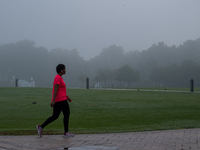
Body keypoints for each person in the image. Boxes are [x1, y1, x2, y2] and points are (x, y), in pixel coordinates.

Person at [36, 64, 74, 137]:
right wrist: (53, 101)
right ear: (61, 70)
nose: (65, 70)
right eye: (64, 69)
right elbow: (55, 89)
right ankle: (66, 132)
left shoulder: (59, 78)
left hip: (60, 99)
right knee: (66, 114)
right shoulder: (58, 78)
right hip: (60, 100)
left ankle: (40, 127)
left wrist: (67, 97)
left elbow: (61, 90)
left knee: (55, 116)